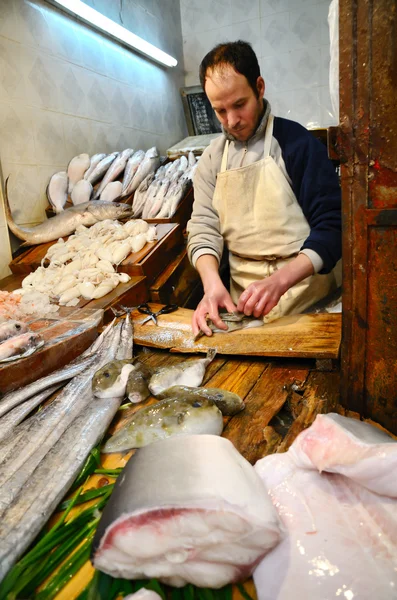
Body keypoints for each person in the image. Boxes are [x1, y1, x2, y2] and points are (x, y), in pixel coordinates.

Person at [187, 40, 342, 338]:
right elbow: (204, 226)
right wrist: (211, 285)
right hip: (244, 310)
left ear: (259, 87)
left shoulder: (296, 144)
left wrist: (280, 282)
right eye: (220, 110)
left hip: (310, 302)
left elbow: (333, 227)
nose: (231, 121)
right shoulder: (212, 159)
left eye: (239, 104)